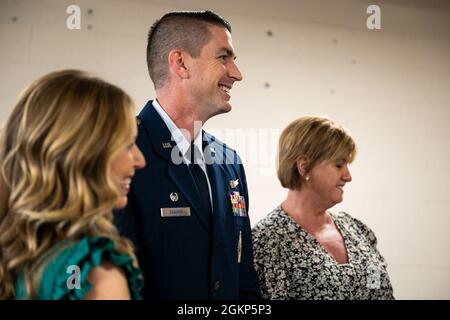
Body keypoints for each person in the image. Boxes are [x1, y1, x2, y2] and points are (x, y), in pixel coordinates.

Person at [114, 10, 261, 299]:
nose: (236, 73)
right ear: (180, 63)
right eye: (223, 57)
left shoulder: (229, 162)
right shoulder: (117, 151)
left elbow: (244, 278)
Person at [0, 70, 146, 300]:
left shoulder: (19, 253)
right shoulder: (95, 275)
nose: (140, 160)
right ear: (84, 156)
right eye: (128, 144)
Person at [252, 116, 394, 299]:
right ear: (304, 167)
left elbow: (379, 288)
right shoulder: (266, 241)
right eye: (339, 165)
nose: (348, 176)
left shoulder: (358, 230)